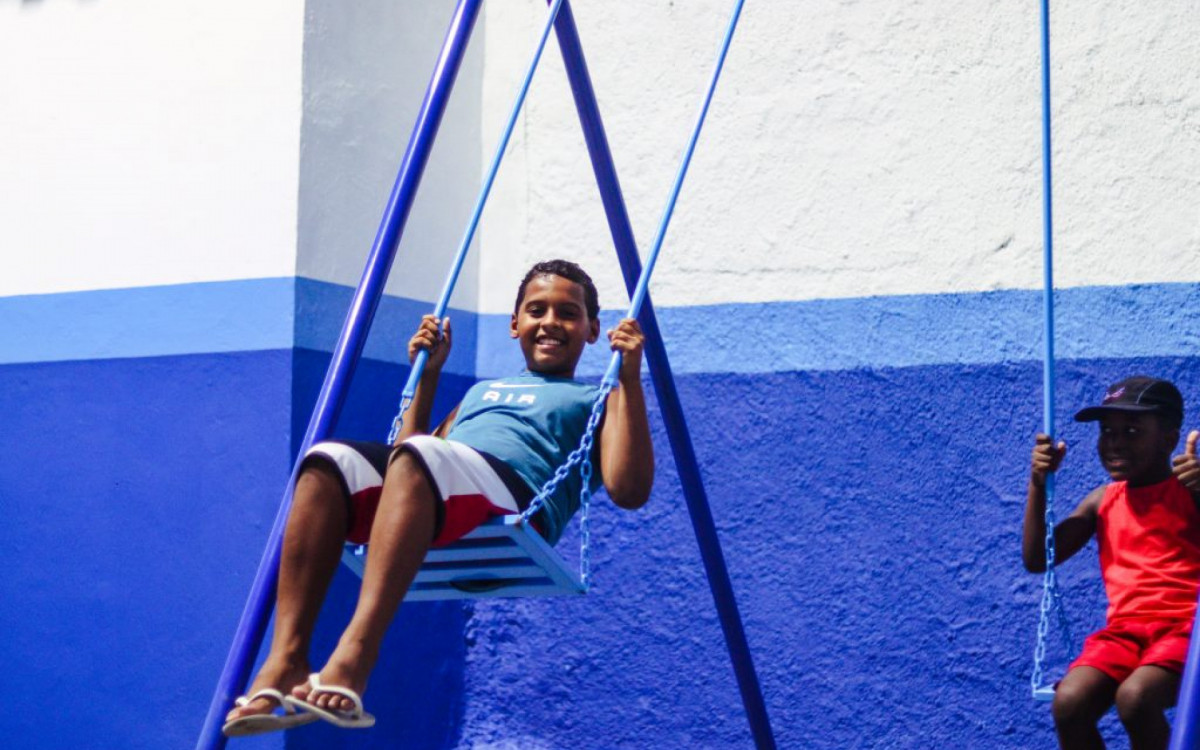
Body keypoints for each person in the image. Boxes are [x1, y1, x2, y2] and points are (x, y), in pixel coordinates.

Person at [222, 259, 654, 736]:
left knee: (423, 456)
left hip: (518, 501)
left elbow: (628, 490)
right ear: (515, 325)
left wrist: (629, 381)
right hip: (448, 483)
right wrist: (427, 376)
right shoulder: (481, 392)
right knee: (325, 464)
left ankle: (357, 651)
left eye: (567, 313)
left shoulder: (598, 398)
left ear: (593, 329)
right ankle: (287, 656)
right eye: (536, 310)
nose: (550, 322)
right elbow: (402, 461)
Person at [1023, 376, 1200, 750]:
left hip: (1185, 633)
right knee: (1069, 702)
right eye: (1107, 431)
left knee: (1136, 699)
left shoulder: (1190, 491)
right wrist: (1039, 483)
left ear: (1169, 438)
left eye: (1132, 430)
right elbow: (1039, 558)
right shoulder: (1103, 500)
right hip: (1125, 635)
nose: (1115, 442)